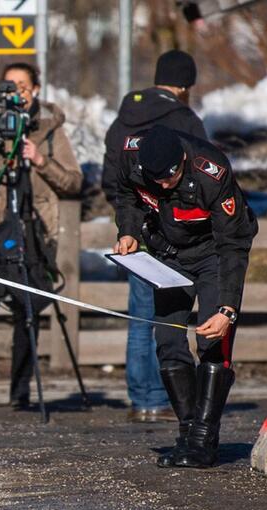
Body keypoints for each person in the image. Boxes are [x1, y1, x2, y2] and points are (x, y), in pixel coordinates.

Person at [113, 125, 258, 468]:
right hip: (168, 255)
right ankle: (188, 434)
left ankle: (204, 440)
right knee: (168, 339)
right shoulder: (131, 156)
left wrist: (228, 309)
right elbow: (126, 196)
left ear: (182, 160)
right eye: (156, 179)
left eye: (171, 177)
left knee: (212, 340)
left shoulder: (212, 172)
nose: (163, 185)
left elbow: (233, 245)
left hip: (214, 254)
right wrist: (129, 231)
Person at [0, 62, 82, 409]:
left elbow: (73, 182)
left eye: (22, 85)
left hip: (33, 233)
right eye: (9, 85)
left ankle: (20, 390)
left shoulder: (51, 130)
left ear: (36, 89)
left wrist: (40, 160)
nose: (16, 92)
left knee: (28, 308)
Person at [102, 49, 209, 423]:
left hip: (134, 230)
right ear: (184, 85)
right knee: (168, 317)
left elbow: (112, 181)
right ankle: (162, 396)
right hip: (172, 233)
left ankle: (140, 396)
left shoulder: (122, 120)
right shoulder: (184, 118)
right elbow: (201, 176)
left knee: (141, 316)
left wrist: (130, 220)